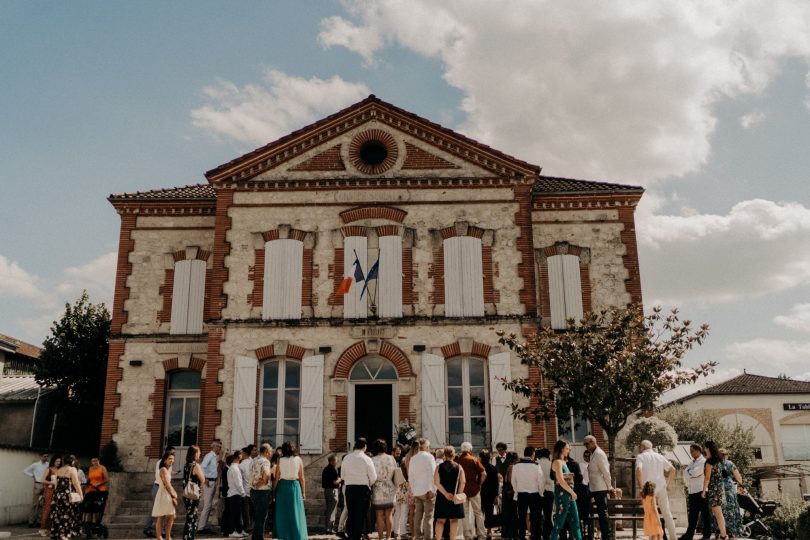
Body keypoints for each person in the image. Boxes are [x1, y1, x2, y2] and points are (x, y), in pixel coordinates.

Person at [635, 440, 676, 540]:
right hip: (661, 487)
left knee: (650, 514)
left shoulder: (641, 457)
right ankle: (673, 537)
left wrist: (641, 487)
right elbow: (672, 469)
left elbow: (638, 470)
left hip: (648, 489)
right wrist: (668, 483)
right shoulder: (659, 456)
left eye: (640, 446)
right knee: (667, 513)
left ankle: (653, 538)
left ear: (642, 447)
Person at [341, 437, 377, 540]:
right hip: (362, 489)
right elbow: (373, 477)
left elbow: (342, 476)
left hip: (350, 488)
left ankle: (351, 536)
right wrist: (368, 484)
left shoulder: (347, 458)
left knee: (351, 513)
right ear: (365, 446)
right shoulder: (367, 459)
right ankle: (357, 536)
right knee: (360, 515)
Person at [273, 441, 307, 540]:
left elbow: (276, 478)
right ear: (293, 448)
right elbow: (302, 477)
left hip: (282, 486)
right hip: (294, 486)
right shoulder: (298, 459)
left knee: (283, 512)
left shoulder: (280, 460)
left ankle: (283, 535)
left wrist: (273, 492)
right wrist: (304, 492)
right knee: (295, 511)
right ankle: (297, 535)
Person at [549, 440, 582, 540]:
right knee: (559, 522)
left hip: (569, 495)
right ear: (561, 448)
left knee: (575, 521)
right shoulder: (557, 462)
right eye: (567, 448)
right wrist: (572, 493)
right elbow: (560, 481)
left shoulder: (563, 462)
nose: (569, 450)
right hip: (563, 495)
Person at [582, 436, 613, 540]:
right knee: (597, 512)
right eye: (585, 445)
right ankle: (591, 533)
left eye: (587, 444)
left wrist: (610, 486)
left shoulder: (599, 454)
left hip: (600, 488)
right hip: (594, 488)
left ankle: (606, 536)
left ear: (593, 442)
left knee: (602, 513)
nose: (586, 446)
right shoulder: (593, 454)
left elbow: (606, 472)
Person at [512, 446, 545, 540]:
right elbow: (541, 481)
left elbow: (513, 481)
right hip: (535, 494)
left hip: (521, 494)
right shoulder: (536, 465)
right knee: (535, 518)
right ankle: (536, 537)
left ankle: (522, 537)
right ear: (533, 454)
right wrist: (541, 493)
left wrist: (517, 491)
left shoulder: (516, 466)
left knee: (522, 518)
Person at [679, 443, 711, 540]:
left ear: (698, 451)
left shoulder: (703, 461)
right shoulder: (692, 462)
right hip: (692, 491)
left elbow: (696, 473)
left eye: (692, 451)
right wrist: (690, 472)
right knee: (692, 515)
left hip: (701, 491)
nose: (691, 453)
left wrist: (690, 472)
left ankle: (706, 535)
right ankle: (689, 535)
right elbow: (685, 472)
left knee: (705, 514)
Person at [434, 446, 465, 540]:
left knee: (440, 520)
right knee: (454, 520)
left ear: (444, 455)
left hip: (442, 496)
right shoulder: (459, 467)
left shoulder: (439, 467)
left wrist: (446, 494)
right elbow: (463, 482)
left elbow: (436, 483)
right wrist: (457, 494)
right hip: (455, 496)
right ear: (454, 454)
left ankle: (438, 538)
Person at [456, 442, 486, 540]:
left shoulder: (458, 461)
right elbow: (484, 474)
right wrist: (479, 484)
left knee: (465, 513)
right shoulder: (474, 459)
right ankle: (481, 535)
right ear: (470, 450)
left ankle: (467, 536)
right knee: (478, 513)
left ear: (462, 450)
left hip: (462, 490)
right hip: (474, 489)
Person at [145, 446, 175, 538]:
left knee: (162, 513)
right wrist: (173, 493)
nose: (173, 457)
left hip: (163, 488)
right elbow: (163, 478)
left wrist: (172, 474)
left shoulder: (168, 466)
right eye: (172, 454)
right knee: (159, 512)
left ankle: (164, 534)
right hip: (159, 488)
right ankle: (151, 529)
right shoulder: (161, 465)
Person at [409, 438, 436, 540]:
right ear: (426, 447)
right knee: (428, 517)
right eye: (428, 446)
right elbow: (432, 474)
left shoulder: (413, 458)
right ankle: (427, 538)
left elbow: (410, 476)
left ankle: (418, 537)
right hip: (427, 490)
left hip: (417, 491)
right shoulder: (429, 457)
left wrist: (413, 490)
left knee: (418, 516)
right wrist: (432, 489)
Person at [371, 439, 397, 540]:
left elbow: (372, 475)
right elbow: (395, 471)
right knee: (389, 514)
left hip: (378, 488)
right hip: (390, 487)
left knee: (379, 515)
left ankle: (381, 537)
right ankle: (388, 537)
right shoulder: (391, 458)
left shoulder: (373, 460)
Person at [51, 454, 83, 540]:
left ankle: (57, 534)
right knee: (67, 514)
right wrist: (81, 494)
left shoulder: (59, 469)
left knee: (58, 514)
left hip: (57, 495)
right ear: (72, 461)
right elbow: (76, 483)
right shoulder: (72, 469)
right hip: (67, 495)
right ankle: (64, 534)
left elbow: (56, 484)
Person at [702, 441, 728, 540]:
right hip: (720, 488)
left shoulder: (709, 462)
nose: (704, 449)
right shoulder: (719, 460)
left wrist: (704, 491)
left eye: (705, 447)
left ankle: (723, 536)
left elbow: (707, 478)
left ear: (708, 448)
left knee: (718, 514)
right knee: (718, 514)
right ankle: (723, 534)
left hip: (714, 489)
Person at [197, 440, 222, 534]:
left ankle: (204, 525)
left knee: (209, 505)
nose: (220, 448)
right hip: (209, 481)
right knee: (207, 505)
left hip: (213, 481)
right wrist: (205, 479)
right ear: (214, 447)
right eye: (219, 446)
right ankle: (201, 527)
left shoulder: (214, 456)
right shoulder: (210, 455)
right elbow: (202, 467)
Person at [248, 443, 273, 540]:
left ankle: (255, 537)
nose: (271, 453)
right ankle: (258, 538)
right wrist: (263, 482)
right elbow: (266, 475)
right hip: (263, 491)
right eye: (270, 451)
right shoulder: (265, 461)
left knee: (257, 516)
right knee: (261, 517)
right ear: (266, 452)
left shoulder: (253, 460)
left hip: (253, 491)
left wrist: (254, 486)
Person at [718, 448, 744, 537]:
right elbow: (739, 478)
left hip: (717, 489)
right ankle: (732, 532)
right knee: (731, 509)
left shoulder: (714, 464)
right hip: (729, 489)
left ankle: (720, 531)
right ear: (726, 455)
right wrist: (739, 483)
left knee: (720, 510)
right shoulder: (730, 463)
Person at [152, 452, 178, 540]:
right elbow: (166, 483)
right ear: (165, 460)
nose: (172, 460)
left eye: (173, 459)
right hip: (165, 493)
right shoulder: (163, 469)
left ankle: (164, 536)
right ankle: (165, 536)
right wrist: (173, 494)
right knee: (170, 516)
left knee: (163, 516)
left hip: (164, 492)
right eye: (170, 459)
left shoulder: (166, 469)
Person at [182, 445, 205, 540]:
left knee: (189, 517)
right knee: (193, 518)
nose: (200, 454)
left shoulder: (186, 464)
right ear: (195, 453)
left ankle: (186, 537)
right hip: (193, 494)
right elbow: (202, 479)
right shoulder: (196, 465)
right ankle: (189, 537)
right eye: (199, 452)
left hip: (186, 493)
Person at [24, 452, 50, 528]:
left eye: (47, 456)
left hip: (45, 485)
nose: (46, 457)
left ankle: (39, 521)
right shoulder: (35, 464)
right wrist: (32, 475)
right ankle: (31, 522)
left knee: (42, 504)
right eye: (44, 456)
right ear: (41, 456)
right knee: (34, 504)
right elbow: (25, 471)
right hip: (37, 484)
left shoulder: (48, 465)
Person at [82, 457, 109, 527]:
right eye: (93, 461)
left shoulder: (102, 468)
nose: (95, 462)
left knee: (97, 507)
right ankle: (88, 522)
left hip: (100, 490)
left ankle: (96, 523)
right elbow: (89, 479)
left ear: (99, 461)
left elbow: (106, 479)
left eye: (96, 460)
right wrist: (84, 484)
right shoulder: (91, 469)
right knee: (87, 506)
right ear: (91, 462)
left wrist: (98, 484)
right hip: (91, 490)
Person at [226, 451, 248, 538]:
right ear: (238, 457)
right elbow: (238, 483)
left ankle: (239, 530)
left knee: (238, 513)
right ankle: (231, 531)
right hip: (235, 493)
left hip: (234, 493)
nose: (242, 456)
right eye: (241, 455)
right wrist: (243, 493)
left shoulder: (233, 467)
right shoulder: (235, 469)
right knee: (235, 514)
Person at [478, 449, 498, 540]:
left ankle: (480, 531)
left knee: (479, 513)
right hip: (490, 494)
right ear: (489, 458)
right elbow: (496, 483)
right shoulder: (493, 468)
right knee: (489, 513)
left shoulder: (478, 467)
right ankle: (489, 532)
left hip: (479, 493)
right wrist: (496, 495)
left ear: (480, 457)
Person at [39, 455, 61, 537]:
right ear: (53, 461)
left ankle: (50, 529)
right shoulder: (49, 469)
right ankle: (42, 528)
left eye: (59, 461)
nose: (58, 463)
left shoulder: (61, 470)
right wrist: (51, 483)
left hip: (58, 491)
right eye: (56, 461)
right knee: (47, 509)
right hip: (49, 491)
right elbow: (42, 480)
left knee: (54, 510)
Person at [500, 452, 519, 540]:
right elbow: (511, 480)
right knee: (512, 512)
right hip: (510, 491)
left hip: (507, 490)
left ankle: (509, 533)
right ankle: (511, 533)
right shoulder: (512, 467)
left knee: (509, 512)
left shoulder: (508, 466)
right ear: (515, 459)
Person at [536, 449, 554, 540]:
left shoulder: (536, 463)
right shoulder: (551, 464)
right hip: (549, 491)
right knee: (548, 515)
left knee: (538, 515)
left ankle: (538, 535)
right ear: (548, 455)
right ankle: (547, 535)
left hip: (538, 492)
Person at [323, 454, 342, 534]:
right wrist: (340, 479)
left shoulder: (325, 469)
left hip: (327, 491)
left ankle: (328, 528)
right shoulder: (333, 469)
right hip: (332, 491)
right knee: (332, 510)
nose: (336, 462)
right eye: (335, 460)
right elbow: (335, 482)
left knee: (329, 509)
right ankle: (329, 529)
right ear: (331, 461)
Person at [239, 446, 256, 533]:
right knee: (253, 510)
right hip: (254, 489)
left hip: (245, 491)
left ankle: (247, 528)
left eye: (241, 453)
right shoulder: (254, 462)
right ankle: (252, 526)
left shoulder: (241, 464)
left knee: (246, 511)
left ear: (245, 454)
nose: (240, 455)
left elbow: (239, 478)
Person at [576, 451, 592, 540]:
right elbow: (581, 478)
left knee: (588, 513)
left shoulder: (592, 463)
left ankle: (589, 532)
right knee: (583, 513)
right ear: (583, 456)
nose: (587, 458)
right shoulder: (581, 464)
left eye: (589, 456)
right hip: (584, 489)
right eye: (586, 456)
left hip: (591, 488)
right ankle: (583, 533)